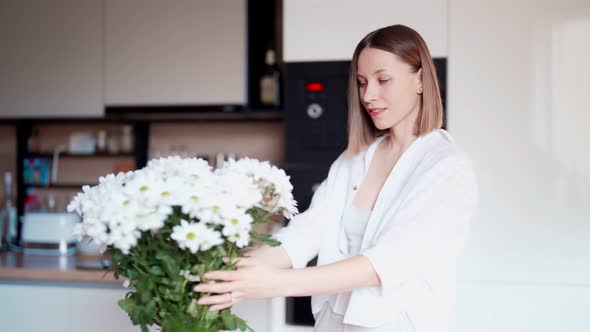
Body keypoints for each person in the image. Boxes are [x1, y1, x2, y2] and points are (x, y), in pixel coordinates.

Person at [194, 24, 478, 332]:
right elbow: (307, 232)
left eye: (383, 80)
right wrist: (232, 272)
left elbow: (387, 262)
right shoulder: (353, 159)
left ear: (421, 80)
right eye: (362, 82)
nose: (369, 95)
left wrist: (275, 283)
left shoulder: (445, 167)